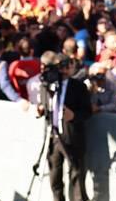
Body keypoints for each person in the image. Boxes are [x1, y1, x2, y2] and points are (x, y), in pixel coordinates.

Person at [39, 53, 92, 201]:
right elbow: (44, 104)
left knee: (76, 174)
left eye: (65, 66)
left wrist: (73, 116)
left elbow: (87, 112)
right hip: (53, 136)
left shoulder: (78, 87)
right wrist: (41, 110)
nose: (62, 71)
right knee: (54, 176)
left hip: (72, 136)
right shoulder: (47, 84)